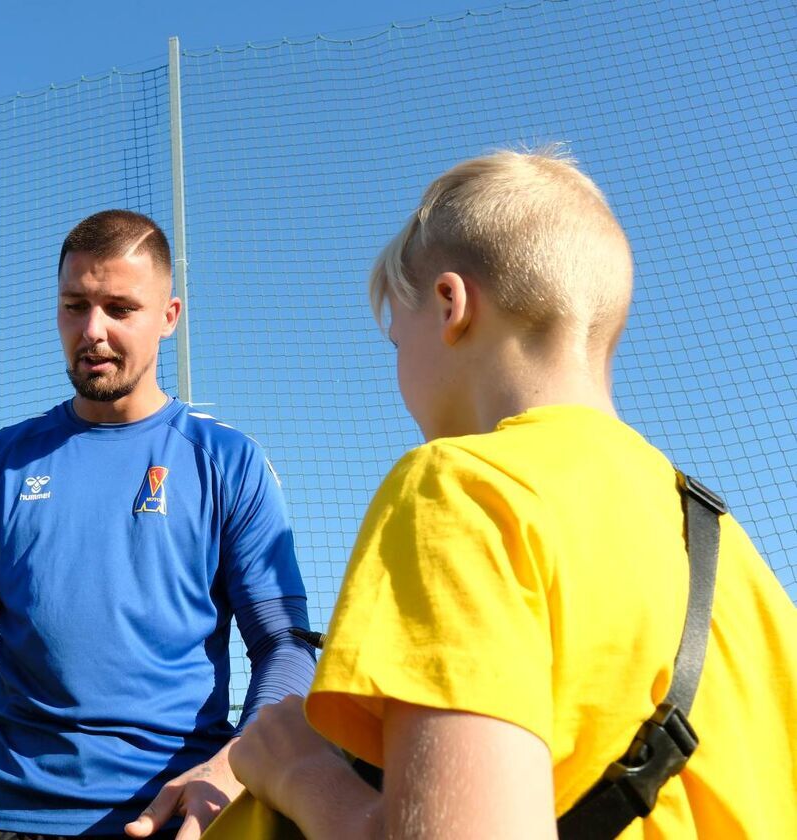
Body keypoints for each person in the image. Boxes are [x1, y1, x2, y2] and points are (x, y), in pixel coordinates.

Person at [225, 148, 797, 838]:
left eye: (393, 338)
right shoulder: (732, 553)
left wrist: (295, 770)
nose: (396, 364)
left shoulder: (464, 489)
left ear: (449, 305)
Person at [0, 209, 318, 839]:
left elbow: (284, 646)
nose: (93, 330)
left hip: (174, 812)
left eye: (120, 308)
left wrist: (237, 765)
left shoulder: (227, 463)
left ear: (169, 317)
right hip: (4, 815)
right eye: (75, 306)